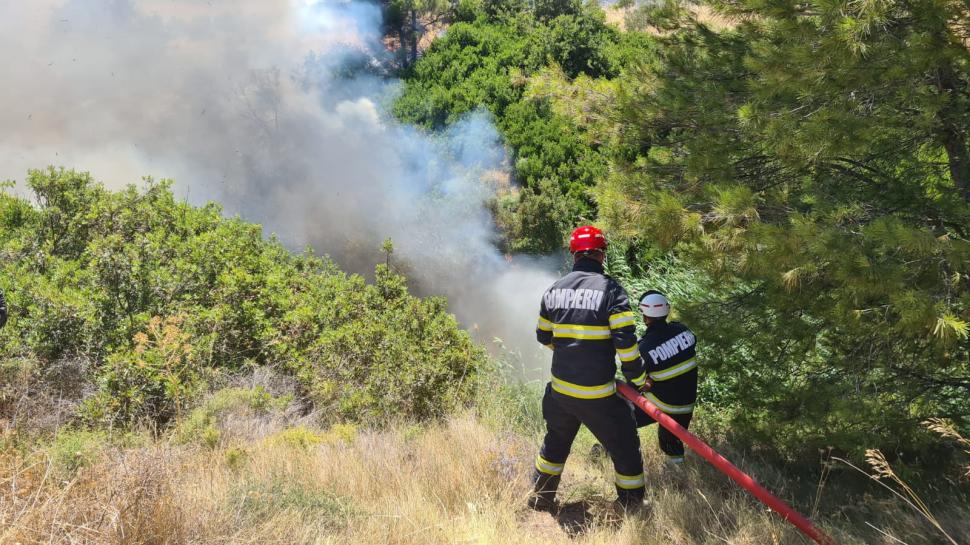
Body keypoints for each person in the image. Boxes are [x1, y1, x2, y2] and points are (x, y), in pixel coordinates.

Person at [529, 225, 649, 512]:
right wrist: (638, 378)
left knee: (555, 443)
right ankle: (631, 505)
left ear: (574, 255)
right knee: (624, 445)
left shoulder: (553, 290)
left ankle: (541, 498)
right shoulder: (612, 291)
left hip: (560, 392)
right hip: (598, 394)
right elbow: (626, 345)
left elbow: (544, 337)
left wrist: (571, 353)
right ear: (602, 254)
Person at [634, 290, 698, 465]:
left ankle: (607, 454)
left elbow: (636, 381)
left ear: (645, 317)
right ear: (667, 311)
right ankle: (678, 472)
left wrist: (647, 382)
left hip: (662, 405)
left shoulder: (644, 348)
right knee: (671, 443)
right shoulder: (683, 331)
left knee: (621, 418)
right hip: (686, 404)